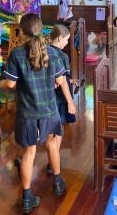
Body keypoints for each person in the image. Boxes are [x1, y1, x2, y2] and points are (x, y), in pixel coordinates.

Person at [0, 13, 76, 213]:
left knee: (29, 152)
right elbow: (60, 81)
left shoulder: (16, 54)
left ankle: (26, 198)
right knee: (52, 144)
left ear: (22, 32)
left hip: (28, 113)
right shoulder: (52, 52)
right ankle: (58, 182)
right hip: (50, 110)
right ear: (41, 29)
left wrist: (0, 82)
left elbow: (10, 83)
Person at [47, 24, 78, 173]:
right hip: (60, 99)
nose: (66, 43)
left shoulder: (42, 51)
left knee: (49, 131)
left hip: (45, 97)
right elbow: (62, 80)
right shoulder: (61, 56)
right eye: (66, 40)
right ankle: (53, 163)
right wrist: (70, 102)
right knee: (58, 131)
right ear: (59, 38)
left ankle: (51, 160)